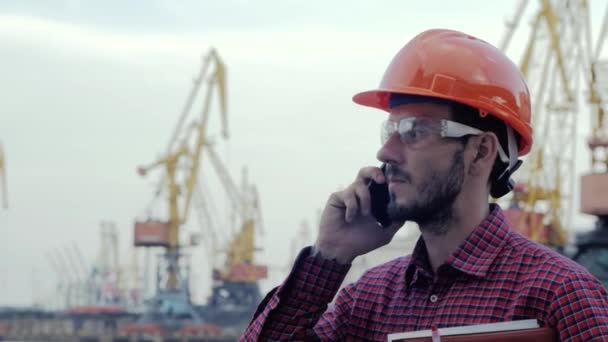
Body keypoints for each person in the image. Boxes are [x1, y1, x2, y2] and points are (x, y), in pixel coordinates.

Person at [240, 29, 608, 341]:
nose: (386, 151)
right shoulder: (368, 300)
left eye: (414, 131)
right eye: (390, 130)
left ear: (480, 151)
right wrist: (329, 255)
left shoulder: (559, 294)